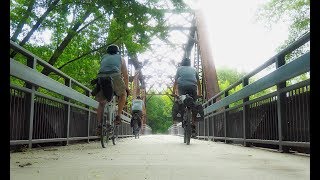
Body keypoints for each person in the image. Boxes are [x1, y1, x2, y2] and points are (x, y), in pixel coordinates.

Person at [93, 44, 130, 135]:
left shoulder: (104, 57)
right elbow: (125, 75)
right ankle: (118, 116)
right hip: (115, 76)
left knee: (101, 103)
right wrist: (126, 87)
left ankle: (99, 125)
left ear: (108, 52)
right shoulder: (121, 58)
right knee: (123, 94)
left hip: (101, 78)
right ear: (117, 52)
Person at [172, 57, 202, 136]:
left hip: (182, 87)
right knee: (194, 105)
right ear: (190, 63)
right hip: (193, 87)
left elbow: (175, 82)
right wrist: (200, 93)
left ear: (182, 63)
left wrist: (173, 92)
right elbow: (199, 82)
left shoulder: (179, 69)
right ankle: (193, 125)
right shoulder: (194, 69)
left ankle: (182, 118)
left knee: (181, 102)